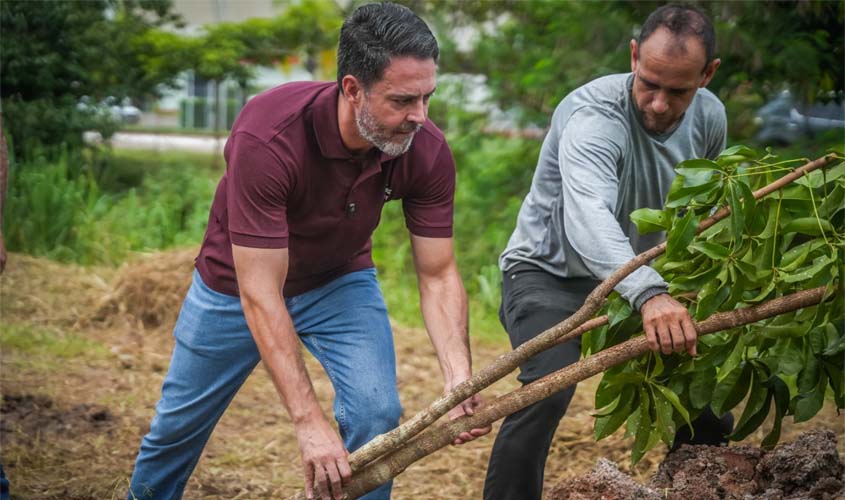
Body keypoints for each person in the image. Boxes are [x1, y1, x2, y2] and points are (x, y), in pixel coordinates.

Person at [127, 3, 489, 500]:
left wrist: (458, 382)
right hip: (234, 289)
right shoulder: (269, 136)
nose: (419, 117)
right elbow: (260, 292)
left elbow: (439, 273)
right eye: (403, 100)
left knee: (376, 415)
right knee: (176, 431)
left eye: (428, 97)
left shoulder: (423, 147)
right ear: (352, 89)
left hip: (338, 280)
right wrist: (309, 421)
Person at [483, 5, 734, 500]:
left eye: (678, 90)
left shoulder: (711, 117)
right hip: (550, 273)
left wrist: (683, 287)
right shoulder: (594, 116)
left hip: (641, 280)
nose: (659, 104)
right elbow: (588, 218)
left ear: (708, 75)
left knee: (706, 397)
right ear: (634, 55)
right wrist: (649, 294)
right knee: (546, 386)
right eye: (649, 84)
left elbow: (698, 213)